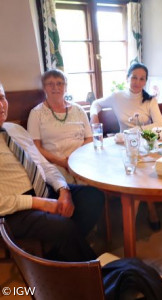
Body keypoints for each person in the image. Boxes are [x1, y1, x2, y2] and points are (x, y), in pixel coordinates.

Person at [0, 82, 105, 262]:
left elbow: (42, 164)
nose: (1, 105)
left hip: (43, 189)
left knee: (93, 197)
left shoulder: (14, 130)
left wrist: (63, 191)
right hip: (15, 210)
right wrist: (39, 204)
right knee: (64, 228)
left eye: (2, 98)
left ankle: (59, 256)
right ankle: (95, 277)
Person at [90, 63, 162, 231]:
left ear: (146, 81)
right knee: (137, 177)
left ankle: (131, 223)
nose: (137, 82)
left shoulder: (150, 100)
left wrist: (133, 131)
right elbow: (95, 103)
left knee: (141, 176)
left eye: (142, 79)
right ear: (127, 78)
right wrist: (94, 119)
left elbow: (160, 124)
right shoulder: (117, 96)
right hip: (122, 147)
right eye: (134, 78)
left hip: (146, 146)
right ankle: (150, 212)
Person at [27, 69, 93, 184]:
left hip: (82, 160)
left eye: (59, 83)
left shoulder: (79, 110)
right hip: (54, 164)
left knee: (94, 187)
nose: (55, 87)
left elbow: (89, 138)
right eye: (50, 84)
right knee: (68, 190)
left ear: (65, 87)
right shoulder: (36, 113)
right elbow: (35, 147)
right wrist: (63, 162)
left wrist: (76, 158)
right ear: (44, 88)